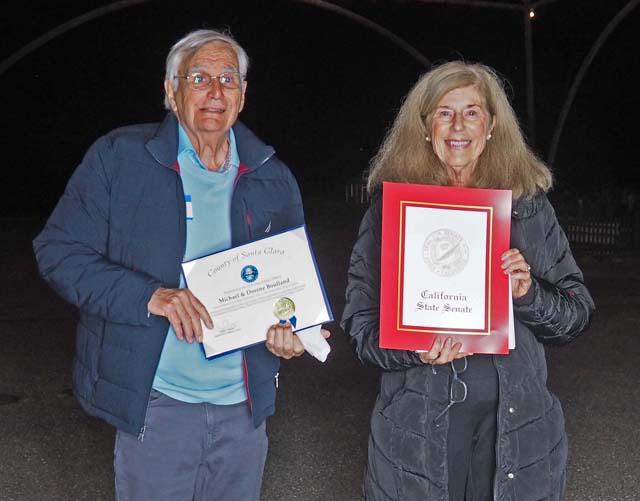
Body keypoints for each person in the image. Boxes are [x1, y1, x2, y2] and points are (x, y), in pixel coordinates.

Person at [34, 29, 328, 501]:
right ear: (171, 91)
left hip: (243, 413)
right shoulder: (120, 159)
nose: (215, 92)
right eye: (199, 77)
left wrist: (293, 336)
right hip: (157, 404)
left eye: (228, 79)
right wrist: (150, 295)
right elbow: (58, 252)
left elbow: (288, 293)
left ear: (243, 95)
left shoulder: (272, 177)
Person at [341, 61, 594, 500]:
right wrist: (409, 346)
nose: (458, 125)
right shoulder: (392, 215)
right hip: (418, 429)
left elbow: (575, 317)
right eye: (444, 112)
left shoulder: (528, 209)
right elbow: (360, 327)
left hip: (516, 427)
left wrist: (528, 293)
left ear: (492, 126)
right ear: (424, 127)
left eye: (472, 112)